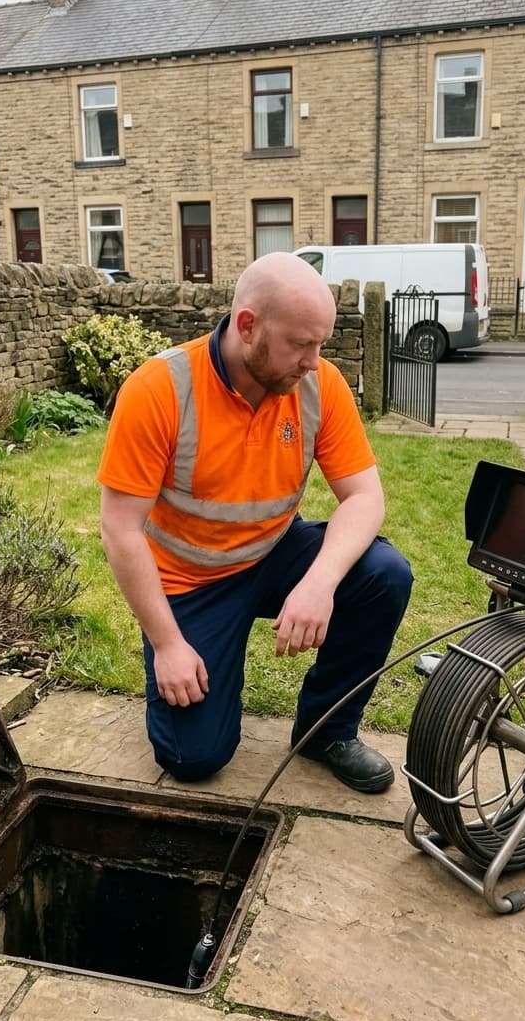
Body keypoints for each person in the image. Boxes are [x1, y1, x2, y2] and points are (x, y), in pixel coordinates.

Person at [98, 251, 413, 793]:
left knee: (384, 573)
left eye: (321, 344)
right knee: (194, 760)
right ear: (248, 326)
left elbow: (364, 497)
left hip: (272, 554)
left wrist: (318, 584)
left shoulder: (319, 385)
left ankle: (326, 730)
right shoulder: (159, 389)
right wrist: (169, 644)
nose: (314, 361)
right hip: (190, 581)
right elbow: (120, 530)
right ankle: (190, 670)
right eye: (301, 344)